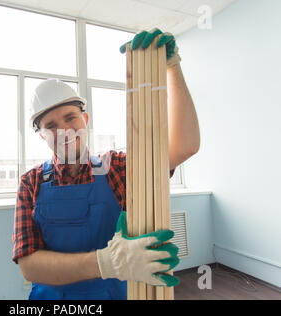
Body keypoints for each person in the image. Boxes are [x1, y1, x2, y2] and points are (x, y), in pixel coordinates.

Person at [12, 28, 200, 300]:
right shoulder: (31, 182)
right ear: (42, 135)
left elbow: (184, 147)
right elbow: (29, 266)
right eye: (51, 126)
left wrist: (172, 68)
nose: (64, 130)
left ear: (85, 121)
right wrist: (107, 262)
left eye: (70, 118)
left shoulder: (116, 169)